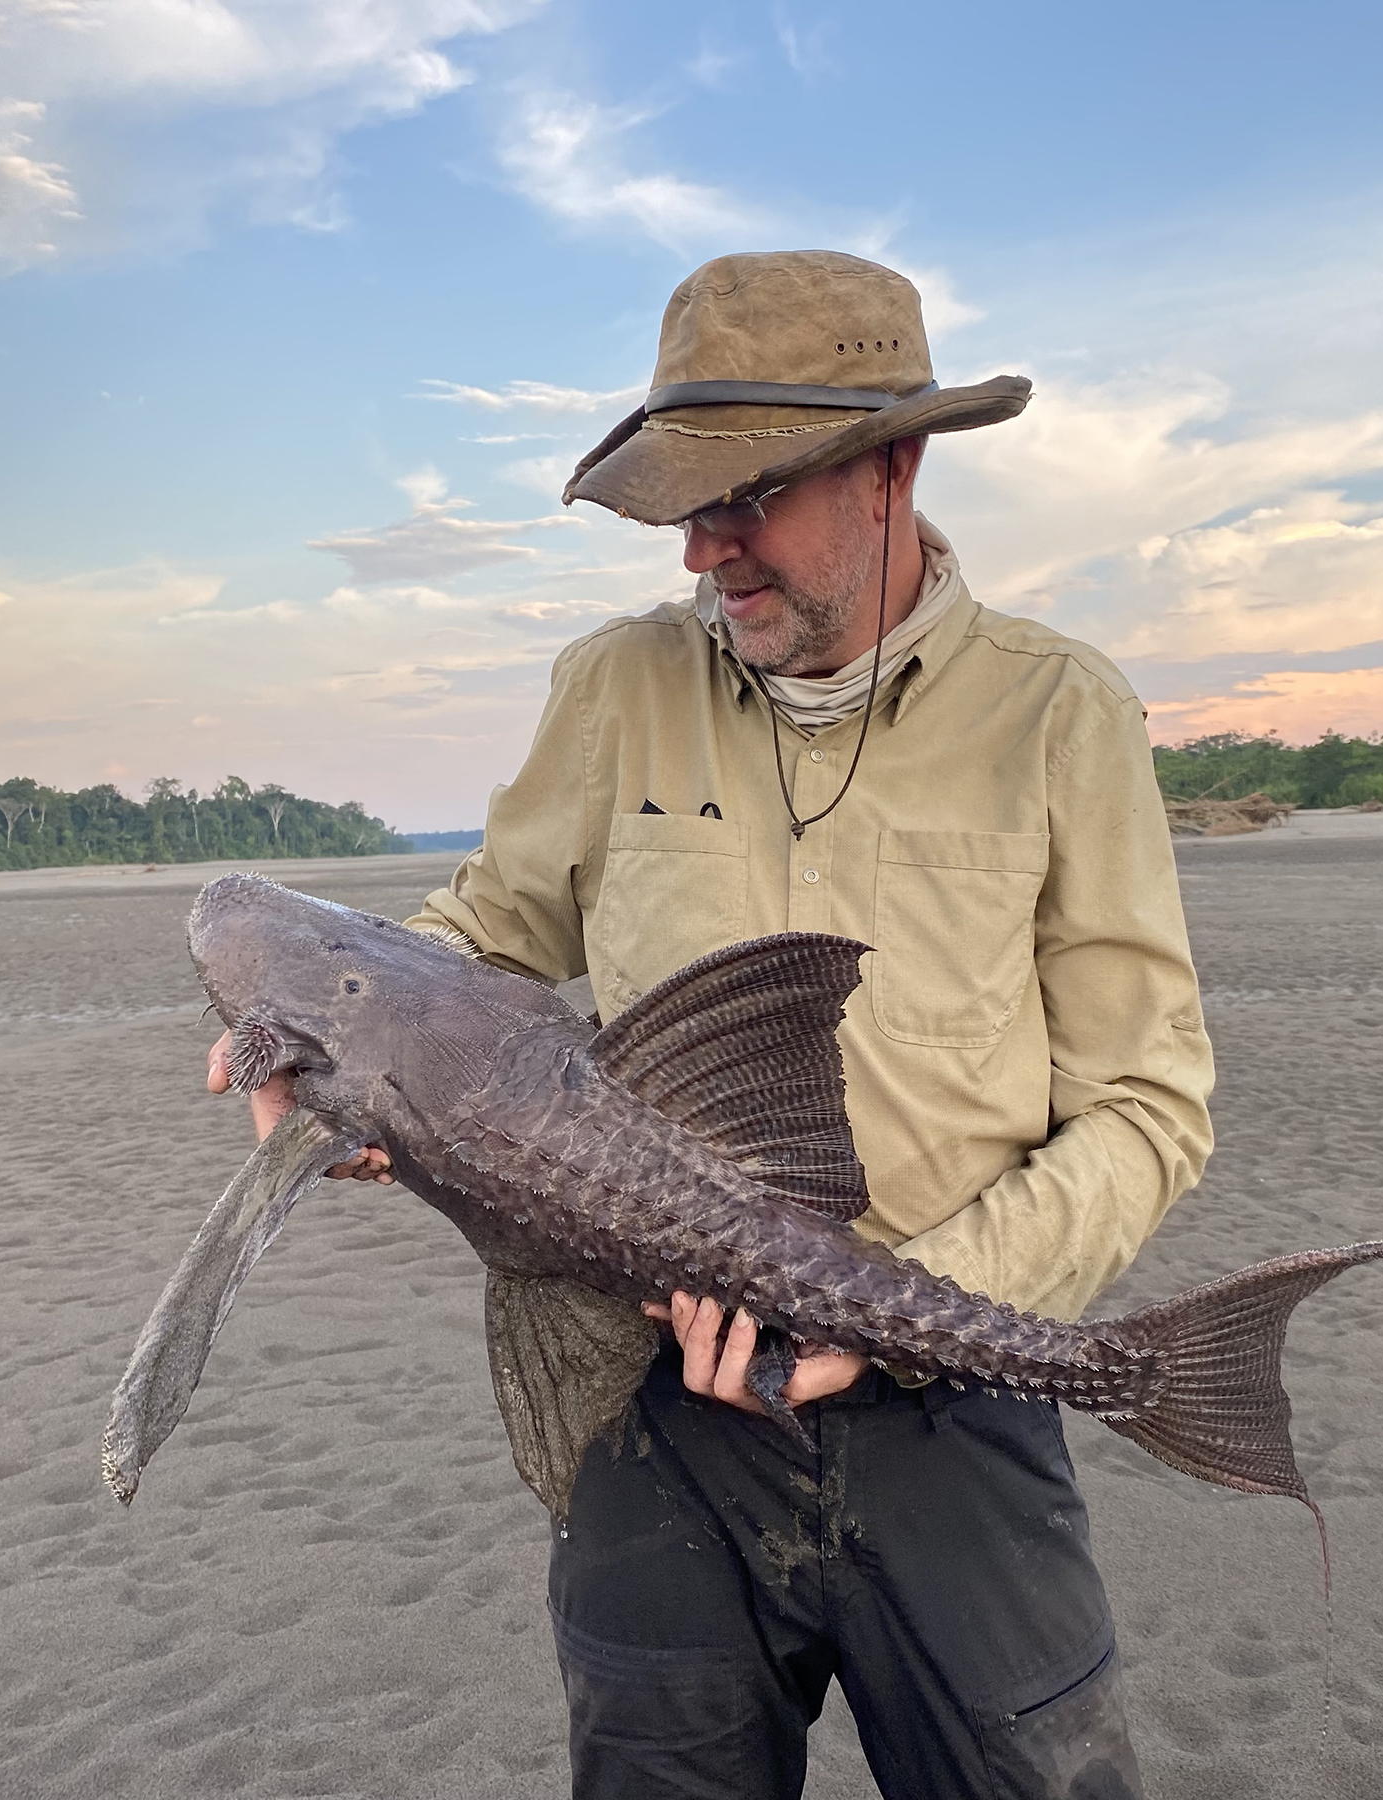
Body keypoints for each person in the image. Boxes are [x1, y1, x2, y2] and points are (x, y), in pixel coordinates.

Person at [212, 250, 1215, 1799]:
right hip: (643, 1402)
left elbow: (1150, 1105)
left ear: (896, 465)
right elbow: (485, 932)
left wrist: (906, 1308)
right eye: (685, 502)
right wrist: (335, 1048)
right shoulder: (615, 688)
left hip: (959, 1406)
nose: (704, 547)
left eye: (747, 492)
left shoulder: (1059, 711)